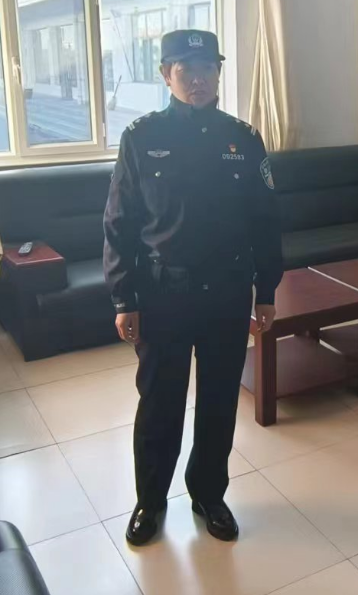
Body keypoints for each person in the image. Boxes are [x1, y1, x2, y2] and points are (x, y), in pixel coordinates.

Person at [103, 29, 282, 547]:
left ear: (219, 73)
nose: (197, 79)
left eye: (207, 69)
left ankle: (208, 493)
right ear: (166, 75)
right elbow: (119, 222)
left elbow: (266, 219)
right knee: (160, 402)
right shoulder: (141, 137)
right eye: (185, 70)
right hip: (165, 293)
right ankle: (150, 500)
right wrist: (124, 297)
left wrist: (267, 289)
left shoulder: (243, 138)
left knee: (220, 398)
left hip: (228, 290)